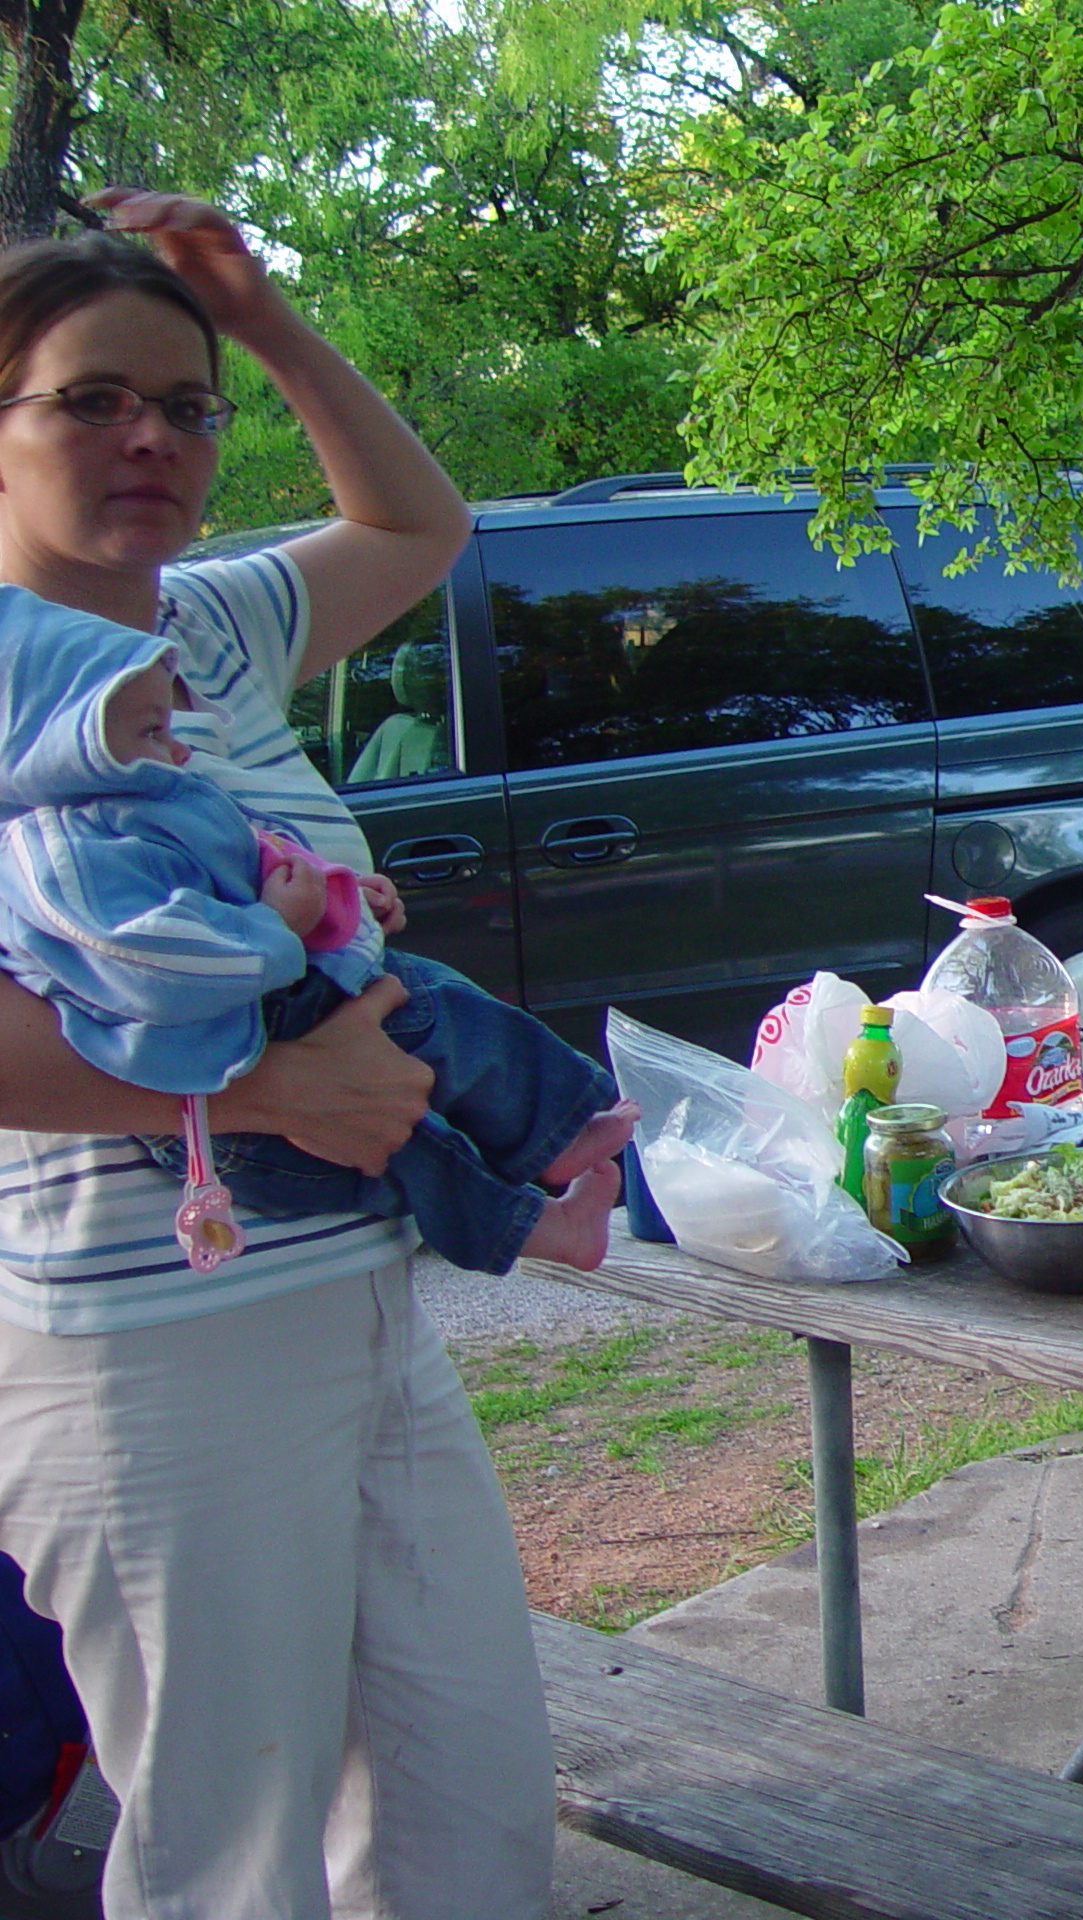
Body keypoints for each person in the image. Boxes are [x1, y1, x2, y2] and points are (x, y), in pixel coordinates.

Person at [0, 193, 555, 1916]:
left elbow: (416, 521)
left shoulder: (213, 631)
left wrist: (266, 322)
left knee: (466, 1806)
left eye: (185, 399)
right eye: (91, 399)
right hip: (152, 1361)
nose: (150, 434)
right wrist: (246, 1089)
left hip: (368, 1308)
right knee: (234, 1863)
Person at [0, 614, 634, 1274]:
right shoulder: (56, 850)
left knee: (441, 1012)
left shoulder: (130, 809)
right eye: (153, 732)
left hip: (259, 1021)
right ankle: (548, 1219)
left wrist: (339, 893)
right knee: (417, 1152)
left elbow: (250, 863)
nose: (179, 749)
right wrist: (276, 926)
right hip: (210, 1067)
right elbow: (146, 959)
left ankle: (555, 1135)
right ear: (57, 745)